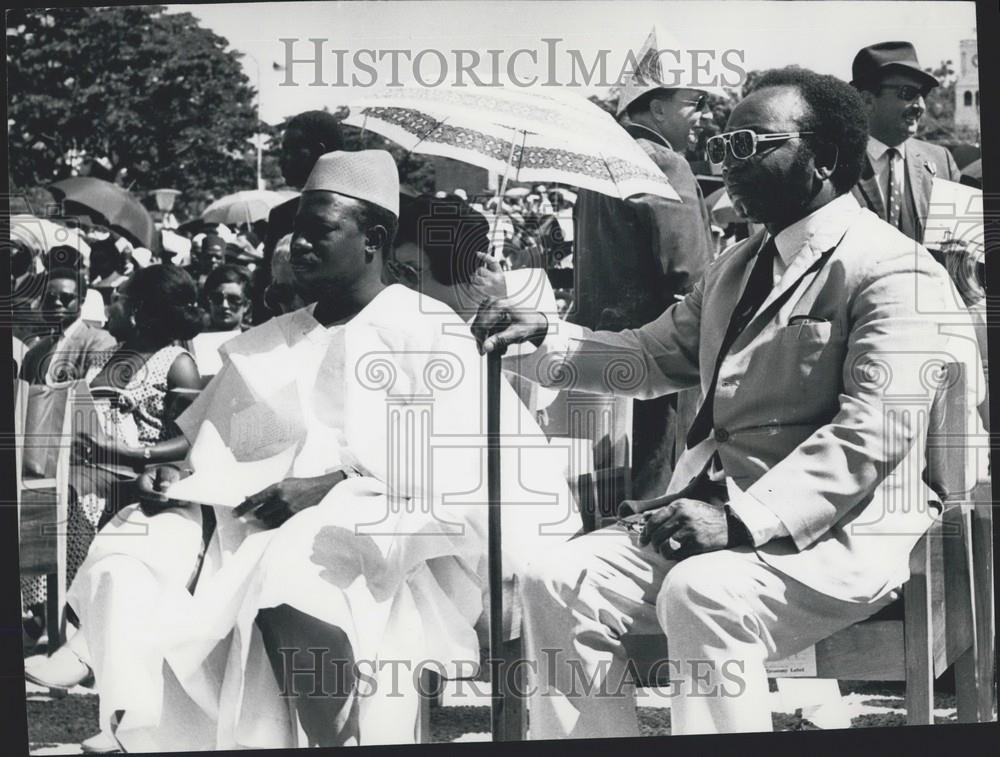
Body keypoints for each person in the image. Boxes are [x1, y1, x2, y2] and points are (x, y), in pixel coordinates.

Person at [472, 67, 984, 737]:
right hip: (720, 523)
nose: (727, 162)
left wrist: (743, 519)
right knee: (555, 577)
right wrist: (544, 338)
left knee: (701, 589)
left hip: (843, 535)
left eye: (751, 143)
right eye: (723, 145)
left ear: (823, 158)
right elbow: (651, 355)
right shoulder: (737, 266)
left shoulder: (891, 267)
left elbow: (874, 429)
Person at [71, 150, 570, 751]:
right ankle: (145, 726)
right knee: (129, 550)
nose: (298, 244)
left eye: (319, 231)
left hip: (406, 527)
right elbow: (222, 443)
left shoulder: (424, 327)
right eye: (295, 231)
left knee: (296, 564)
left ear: (373, 239)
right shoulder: (279, 334)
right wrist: (171, 472)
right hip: (248, 513)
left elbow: (451, 473)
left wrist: (325, 484)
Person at [22, 265, 205, 753]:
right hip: (94, 484)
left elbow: (191, 439)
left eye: (120, 300)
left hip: (141, 494)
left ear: (144, 307)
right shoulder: (118, 354)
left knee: (127, 606)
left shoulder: (177, 362)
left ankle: (115, 707)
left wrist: (130, 456)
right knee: (108, 606)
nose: (110, 308)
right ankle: (114, 715)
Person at [572, 70, 717, 500]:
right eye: (694, 103)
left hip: (596, 348)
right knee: (654, 487)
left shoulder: (600, 156)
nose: (702, 116)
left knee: (607, 482)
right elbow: (691, 275)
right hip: (658, 356)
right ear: (657, 107)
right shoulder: (665, 160)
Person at [849, 41, 961, 243]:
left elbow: (965, 255)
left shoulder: (941, 161)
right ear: (867, 101)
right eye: (908, 94)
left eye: (922, 95)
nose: (921, 106)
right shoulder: (834, 163)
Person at [253, 110, 345, 325]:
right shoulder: (281, 215)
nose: (281, 160)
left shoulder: (285, 216)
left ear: (319, 153)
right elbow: (267, 296)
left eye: (290, 150)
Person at [19, 267, 117, 386]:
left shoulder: (99, 342)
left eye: (66, 298)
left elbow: (94, 397)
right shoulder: (35, 352)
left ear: (81, 302)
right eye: (50, 297)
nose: (57, 302)